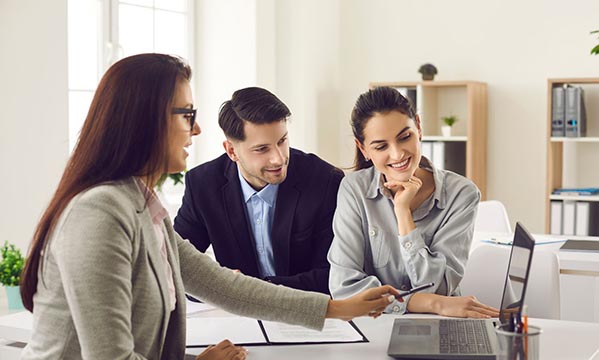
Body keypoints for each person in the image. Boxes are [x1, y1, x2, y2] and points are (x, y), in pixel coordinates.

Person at [19, 54, 399, 360]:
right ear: (144, 121)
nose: (196, 129)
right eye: (187, 115)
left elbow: (223, 286)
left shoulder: (142, 206)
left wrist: (338, 309)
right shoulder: (99, 213)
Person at [327, 86, 499, 318]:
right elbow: (344, 289)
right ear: (363, 149)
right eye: (381, 146)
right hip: (375, 325)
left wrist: (403, 213)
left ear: (418, 127)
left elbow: (439, 287)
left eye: (405, 137)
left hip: (440, 323)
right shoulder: (354, 189)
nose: (397, 154)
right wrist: (430, 303)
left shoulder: (462, 194)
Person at [174, 87, 343, 294]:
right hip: (237, 317)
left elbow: (333, 275)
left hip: (308, 313)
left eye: (282, 141)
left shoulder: (324, 180)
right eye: (262, 149)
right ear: (232, 151)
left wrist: (248, 290)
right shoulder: (202, 185)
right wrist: (222, 286)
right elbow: (176, 268)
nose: (279, 158)